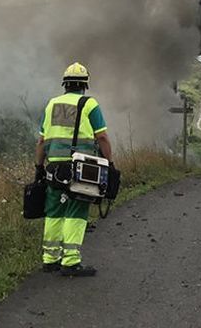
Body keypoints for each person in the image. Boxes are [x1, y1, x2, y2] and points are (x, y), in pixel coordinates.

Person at [34, 62, 114, 277]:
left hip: (54, 167)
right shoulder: (89, 104)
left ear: (65, 84)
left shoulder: (51, 105)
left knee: (54, 212)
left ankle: (50, 259)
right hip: (81, 167)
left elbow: (41, 141)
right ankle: (70, 262)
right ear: (85, 85)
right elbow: (102, 136)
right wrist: (110, 162)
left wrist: (39, 167)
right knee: (76, 213)